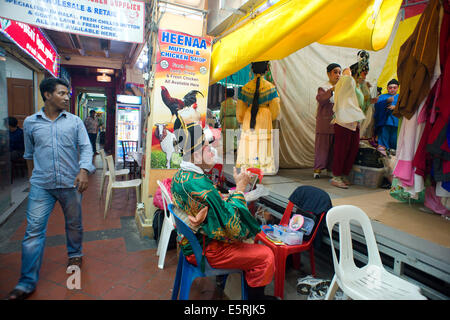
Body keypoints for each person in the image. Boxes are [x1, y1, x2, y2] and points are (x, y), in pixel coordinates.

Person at [6, 78, 95, 300]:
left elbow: (86, 148)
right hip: (41, 186)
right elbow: (29, 155)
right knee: (33, 232)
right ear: (47, 95)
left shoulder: (75, 122)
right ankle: (26, 283)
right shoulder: (30, 123)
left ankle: (75, 253)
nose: (67, 97)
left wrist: (83, 170)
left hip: (70, 184)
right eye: (62, 93)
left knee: (74, 224)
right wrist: (31, 180)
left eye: (68, 94)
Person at [171, 122, 277, 300]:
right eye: (207, 148)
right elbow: (233, 228)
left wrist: (230, 195)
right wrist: (241, 190)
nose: (212, 151)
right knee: (266, 255)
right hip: (207, 250)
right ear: (196, 155)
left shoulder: (181, 176)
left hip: (192, 245)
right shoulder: (200, 185)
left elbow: (214, 206)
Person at [330, 51, 368, 189]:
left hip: (354, 122)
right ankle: (336, 175)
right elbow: (346, 79)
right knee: (341, 150)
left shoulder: (358, 86)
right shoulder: (347, 81)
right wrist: (348, 72)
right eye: (363, 73)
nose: (365, 76)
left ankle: (344, 174)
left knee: (352, 149)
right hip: (344, 121)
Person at [236, 61, 280, 175]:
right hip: (265, 116)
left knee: (250, 141)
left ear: (252, 69)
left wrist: (241, 118)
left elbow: (240, 107)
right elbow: (275, 107)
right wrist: (271, 116)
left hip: (249, 115)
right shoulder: (270, 87)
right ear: (266, 69)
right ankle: (262, 168)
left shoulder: (246, 87)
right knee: (263, 142)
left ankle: (249, 167)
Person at [313, 63, 341, 179]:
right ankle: (318, 169)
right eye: (335, 72)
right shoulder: (323, 87)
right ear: (329, 74)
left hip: (337, 122)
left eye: (339, 72)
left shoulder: (341, 88)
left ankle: (330, 169)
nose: (338, 75)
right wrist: (332, 90)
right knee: (322, 147)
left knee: (334, 147)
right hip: (324, 123)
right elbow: (321, 99)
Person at [374, 79, 400, 152]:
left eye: (394, 88)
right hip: (385, 121)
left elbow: (404, 107)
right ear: (387, 88)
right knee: (384, 135)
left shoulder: (400, 97)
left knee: (394, 138)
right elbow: (376, 106)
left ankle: (393, 149)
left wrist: (395, 108)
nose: (392, 89)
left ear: (398, 88)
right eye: (390, 87)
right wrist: (386, 102)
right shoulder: (382, 96)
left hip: (396, 121)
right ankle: (383, 148)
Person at [219, 87, 239, 158]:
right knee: (234, 135)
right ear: (233, 94)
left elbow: (221, 114)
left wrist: (221, 121)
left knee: (226, 136)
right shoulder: (236, 103)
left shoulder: (223, 103)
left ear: (226, 94)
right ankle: (234, 149)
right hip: (234, 120)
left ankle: (226, 150)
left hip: (226, 120)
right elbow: (238, 114)